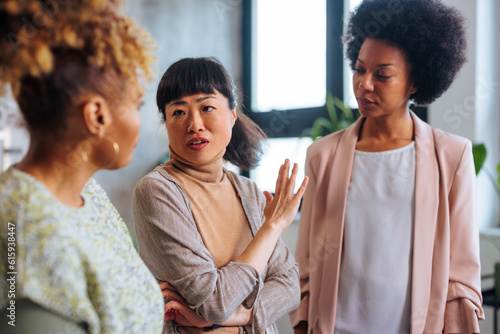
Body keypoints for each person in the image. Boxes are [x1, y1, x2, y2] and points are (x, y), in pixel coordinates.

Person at [290, 0, 484, 333]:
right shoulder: (322, 156)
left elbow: (460, 280)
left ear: (416, 81)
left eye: (382, 75)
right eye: (360, 68)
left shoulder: (452, 156)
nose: (364, 84)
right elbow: (306, 267)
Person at [0, 1, 163, 333]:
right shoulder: (26, 224)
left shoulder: (88, 193)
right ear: (97, 116)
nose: (142, 120)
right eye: (137, 104)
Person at [132, 57, 308, 334]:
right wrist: (271, 227)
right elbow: (213, 303)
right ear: (165, 122)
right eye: (178, 112)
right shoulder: (157, 191)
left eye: (207, 107)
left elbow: (289, 284)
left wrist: (236, 316)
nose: (194, 124)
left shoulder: (248, 191)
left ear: (233, 114)